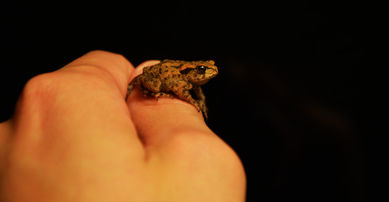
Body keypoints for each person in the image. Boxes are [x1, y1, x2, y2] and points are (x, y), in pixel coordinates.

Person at [0, 51, 246, 201]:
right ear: (194, 70)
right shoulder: (183, 78)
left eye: (207, 69)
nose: (208, 73)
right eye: (203, 70)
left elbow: (192, 87)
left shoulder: (191, 79)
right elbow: (180, 87)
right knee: (156, 84)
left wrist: (199, 98)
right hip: (159, 74)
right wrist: (191, 101)